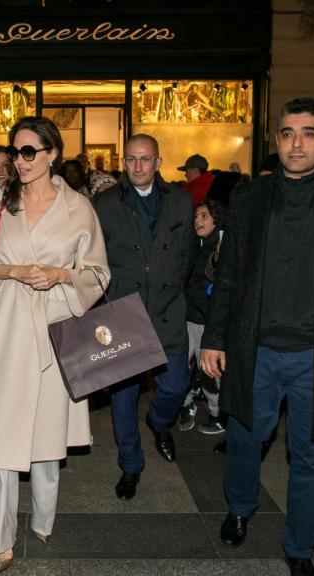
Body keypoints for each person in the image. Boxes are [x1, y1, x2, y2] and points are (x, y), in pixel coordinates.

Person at [200, 97, 314, 576]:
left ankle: (300, 547)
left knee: (311, 457)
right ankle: (240, 507)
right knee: (244, 439)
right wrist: (213, 337)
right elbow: (230, 276)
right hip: (255, 349)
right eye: (287, 133)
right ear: (276, 140)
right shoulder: (249, 198)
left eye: (308, 133)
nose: (296, 142)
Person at [0, 115, 109, 574]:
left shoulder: (79, 207)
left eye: (29, 152)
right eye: (15, 151)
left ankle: (44, 518)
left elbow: (98, 273)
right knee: (3, 436)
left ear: (52, 155)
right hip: (8, 328)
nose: (19, 161)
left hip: (57, 325)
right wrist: (15, 271)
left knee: (48, 434)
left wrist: (60, 274)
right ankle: (1, 537)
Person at [93, 134, 195, 501]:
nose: (138, 166)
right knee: (123, 399)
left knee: (175, 384)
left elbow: (186, 257)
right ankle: (130, 466)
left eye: (145, 159)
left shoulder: (181, 201)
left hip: (169, 309)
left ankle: (158, 421)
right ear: (123, 163)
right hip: (124, 311)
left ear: (159, 162)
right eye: (132, 160)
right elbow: (96, 259)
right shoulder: (104, 203)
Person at [178, 199, 224, 436]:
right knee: (181, 367)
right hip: (188, 317)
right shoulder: (194, 244)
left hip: (208, 322)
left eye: (204, 216)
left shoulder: (220, 245)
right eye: (196, 217)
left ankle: (217, 415)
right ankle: (187, 404)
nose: (198, 221)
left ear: (216, 218)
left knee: (210, 371)